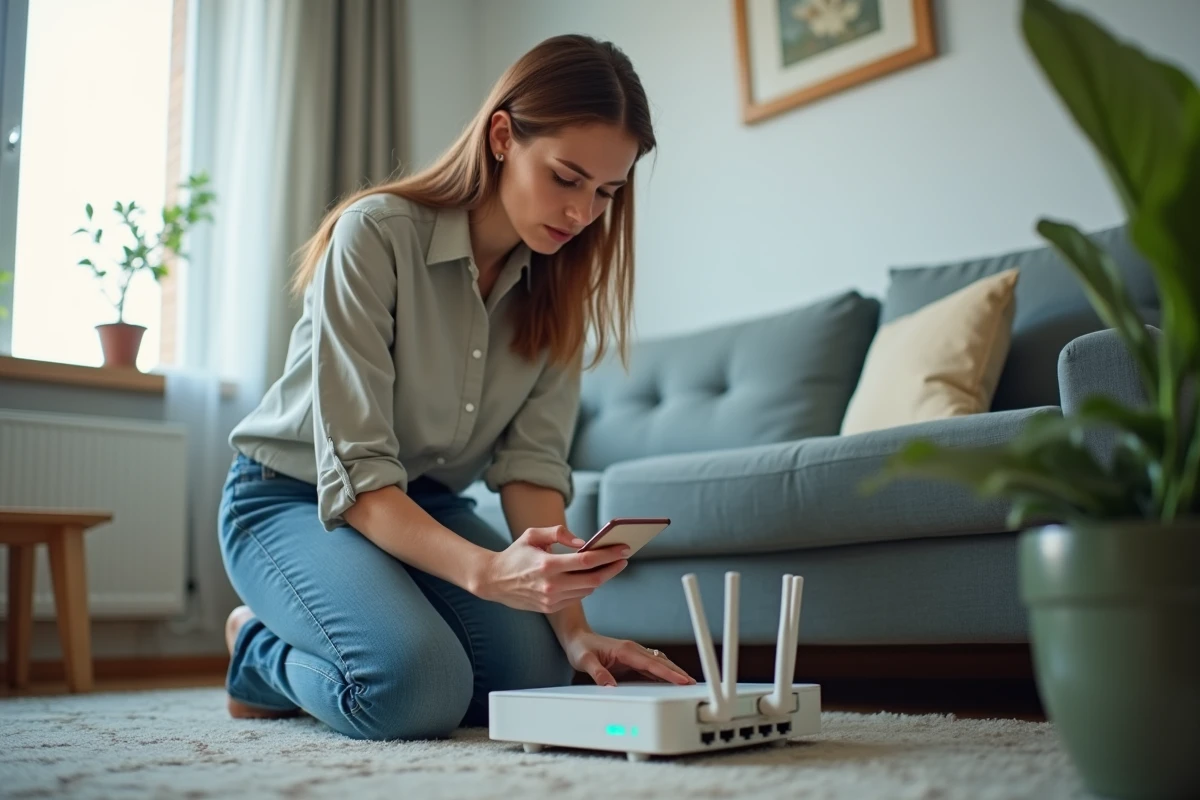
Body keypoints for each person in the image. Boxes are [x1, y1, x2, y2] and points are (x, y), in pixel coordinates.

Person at [217, 34, 696, 741]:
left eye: (606, 192)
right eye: (566, 178)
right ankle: (255, 648)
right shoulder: (375, 236)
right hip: (293, 497)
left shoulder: (560, 288)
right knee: (413, 690)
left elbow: (532, 469)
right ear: (502, 135)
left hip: (423, 502)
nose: (582, 214)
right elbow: (357, 472)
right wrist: (485, 574)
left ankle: (367, 622)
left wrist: (573, 633)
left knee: (534, 682)